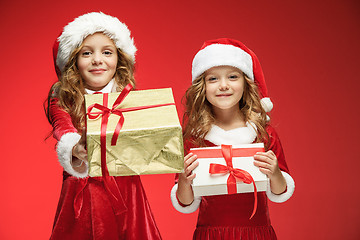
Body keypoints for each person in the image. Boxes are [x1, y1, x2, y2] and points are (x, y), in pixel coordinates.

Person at [45, 12, 162, 240]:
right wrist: (75, 146)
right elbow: (62, 125)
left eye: (107, 52)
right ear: (73, 61)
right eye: (86, 53)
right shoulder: (63, 97)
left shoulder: (128, 97)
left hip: (127, 191)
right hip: (83, 188)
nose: (97, 60)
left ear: (119, 59)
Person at [170, 38, 295, 239]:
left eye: (233, 76)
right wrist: (184, 180)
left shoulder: (264, 134)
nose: (223, 85)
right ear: (202, 87)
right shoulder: (193, 140)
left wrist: (275, 172)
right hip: (210, 235)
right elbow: (185, 203)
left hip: (256, 234)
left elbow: (281, 192)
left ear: (246, 83)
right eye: (213, 79)